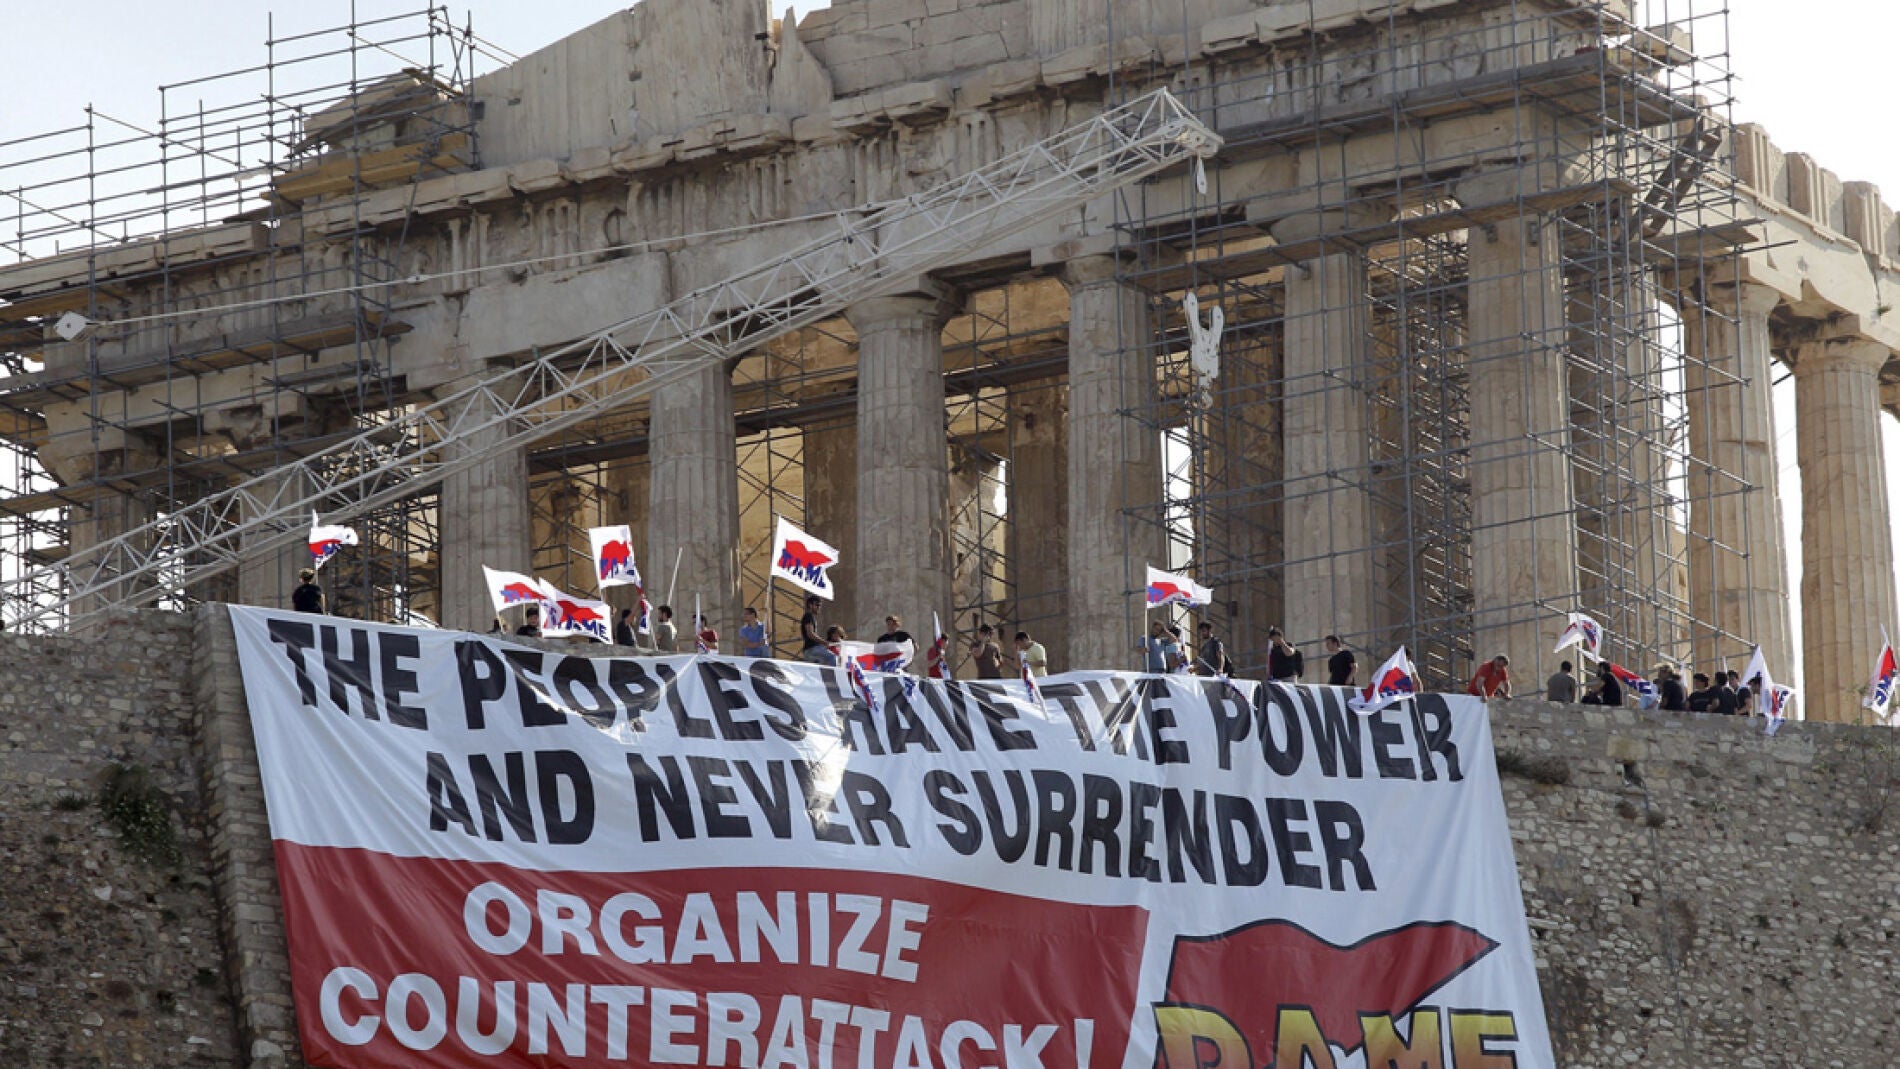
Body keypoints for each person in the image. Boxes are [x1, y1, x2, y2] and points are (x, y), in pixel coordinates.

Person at [799, 596, 830, 664]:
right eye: (817, 605)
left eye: (820, 605)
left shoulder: (810, 617)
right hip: (811, 649)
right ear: (810, 605)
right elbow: (810, 633)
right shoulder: (808, 616)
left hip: (810, 650)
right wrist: (824, 642)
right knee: (832, 657)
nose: (819, 607)